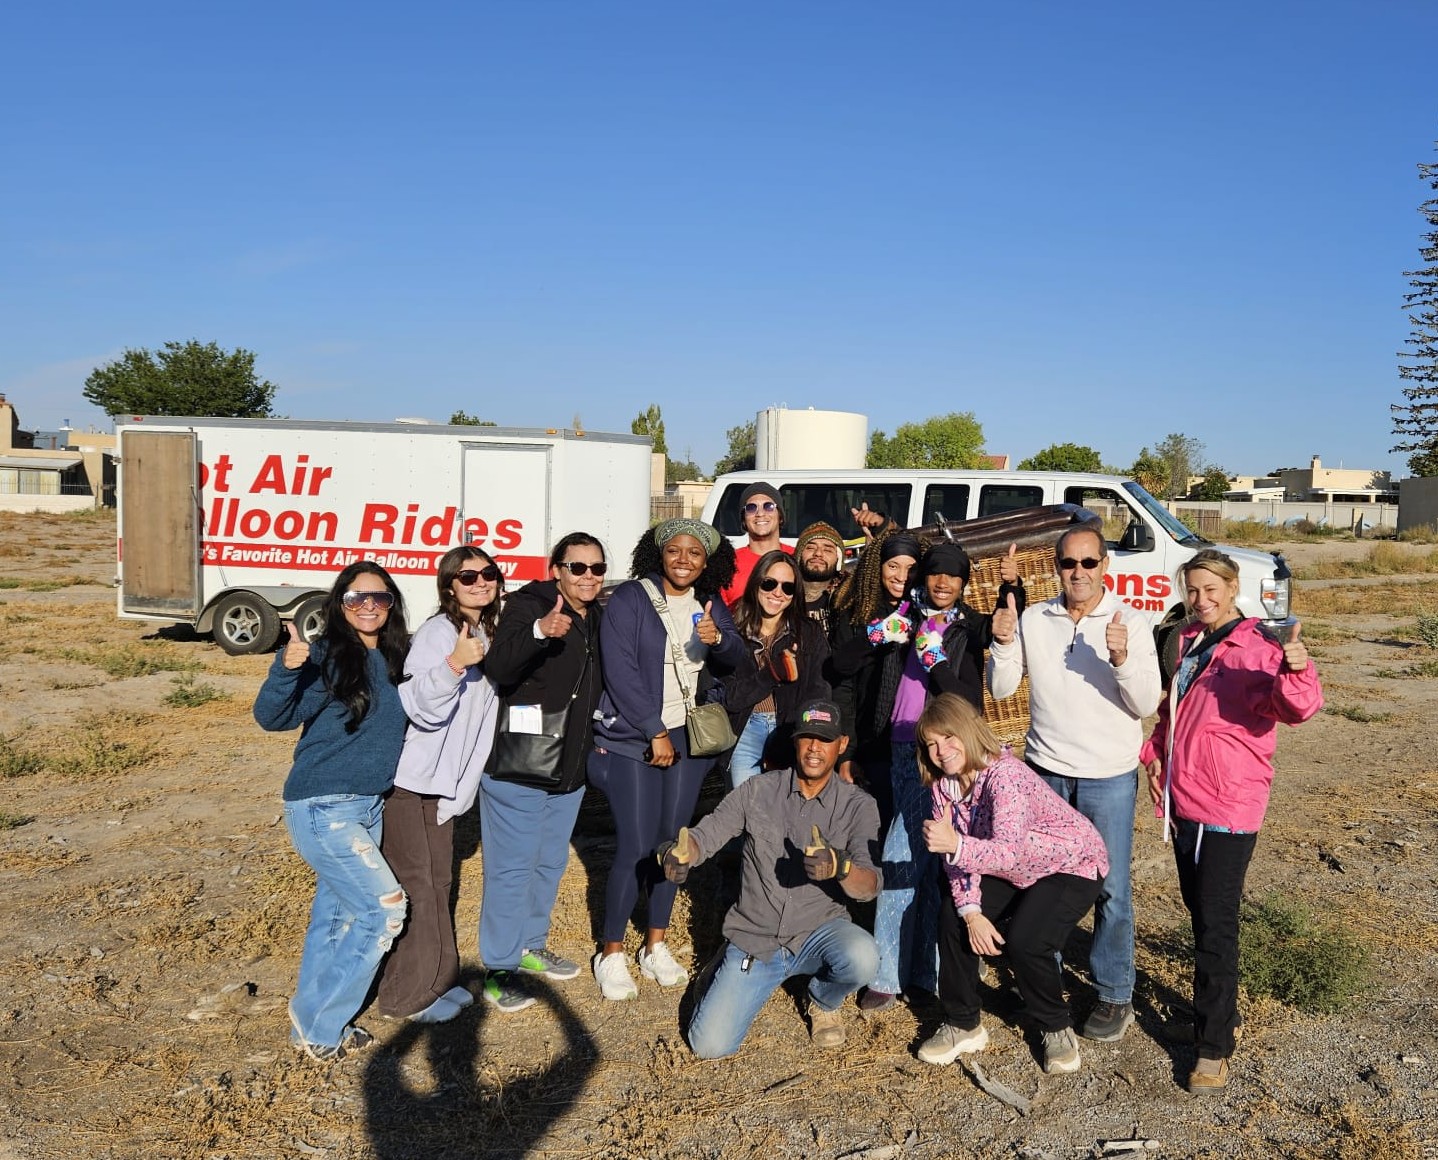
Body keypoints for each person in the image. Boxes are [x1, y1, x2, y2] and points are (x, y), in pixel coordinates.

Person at [1140, 549, 1322, 1093]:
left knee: (1216, 926)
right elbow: (1174, 712)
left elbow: (1298, 708)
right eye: (1192, 590)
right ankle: (1209, 1017)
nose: (1201, 599)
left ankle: (1214, 1047)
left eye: (1211, 588)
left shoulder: (1260, 645)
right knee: (1200, 915)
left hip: (1228, 804)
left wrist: (1297, 668)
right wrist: (1155, 755)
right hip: (1185, 798)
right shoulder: (1190, 641)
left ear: (1234, 585)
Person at [987, 526, 1162, 1044]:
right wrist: (1001, 643)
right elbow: (1001, 688)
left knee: (1110, 887)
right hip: (1046, 771)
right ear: (1057, 567)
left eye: (1089, 563)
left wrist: (1124, 661)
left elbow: (1146, 704)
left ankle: (1114, 993)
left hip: (1108, 773)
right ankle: (1047, 981)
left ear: (1105, 565)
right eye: (1069, 564)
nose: (1078, 573)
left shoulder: (1131, 620)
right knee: (1043, 878)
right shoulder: (1035, 619)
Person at [658, 699, 881, 1058]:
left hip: (818, 931)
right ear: (795, 742)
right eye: (807, 738)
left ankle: (822, 1000)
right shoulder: (758, 790)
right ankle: (727, 963)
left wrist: (840, 868)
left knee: (863, 957)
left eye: (824, 740)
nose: (814, 748)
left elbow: (869, 886)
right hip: (756, 936)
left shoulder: (858, 805)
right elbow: (707, 835)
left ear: (840, 745)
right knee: (709, 1046)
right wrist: (679, 852)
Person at [253, 562, 410, 1062]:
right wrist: (287, 667)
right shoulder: (327, 656)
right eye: (356, 598)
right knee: (385, 911)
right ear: (339, 604)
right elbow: (271, 718)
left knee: (337, 915)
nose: (368, 606)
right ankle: (323, 1030)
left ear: (391, 605)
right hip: (324, 807)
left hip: (367, 806)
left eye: (379, 598)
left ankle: (309, 1017)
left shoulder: (393, 657)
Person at [860, 539, 1023, 1013]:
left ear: (964, 582)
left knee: (914, 857)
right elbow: (854, 665)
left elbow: (998, 640)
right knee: (916, 860)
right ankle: (912, 970)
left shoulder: (968, 625)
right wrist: (880, 636)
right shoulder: (904, 619)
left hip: (942, 755)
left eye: (954, 575)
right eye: (935, 573)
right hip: (898, 749)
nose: (944, 582)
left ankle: (898, 974)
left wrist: (1011, 586)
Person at [589, 519, 745, 1000]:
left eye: (694, 553)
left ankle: (654, 944)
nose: (683, 559)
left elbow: (738, 658)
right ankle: (611, 952)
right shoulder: (631, 599)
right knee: (636, 843)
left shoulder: (711, 603)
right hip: (634, 736)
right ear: (659, 554)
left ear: (707, 562)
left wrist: (719, 640)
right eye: (674, 550)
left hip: (688, 737)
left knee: (673, 845)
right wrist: (654, 730)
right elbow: (620, 671)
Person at [915, 694, 1108, 1075]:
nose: (941, 751)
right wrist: (972, 913)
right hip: (1016, 866)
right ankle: (963, 1023)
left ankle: (1055, 1027)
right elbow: (956, 863)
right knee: (953, 918)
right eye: (931, 744)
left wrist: (955, 844)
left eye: (948, 738)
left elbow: (1004, 851)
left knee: (1028, 940)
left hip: (1071, 863)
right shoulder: (944, 788)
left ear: (968, 732)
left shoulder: (1006, 776)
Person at [477, 532, 607, 1013]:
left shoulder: (598, 615)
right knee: (511, 871)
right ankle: (498, 970)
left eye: (596, 568)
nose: (588, 576)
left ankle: (530, 947)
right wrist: (538, 633)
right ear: (557, 570)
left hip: (568, 769)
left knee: (549, 864)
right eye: (577, 568)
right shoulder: (528, 605)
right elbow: (500, 667)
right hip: (520, 766)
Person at [374, 546, 501, 1025]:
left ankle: (436, 980)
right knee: (418, 887)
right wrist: (453, 664)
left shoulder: (484, 630)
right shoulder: (437, 633)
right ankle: (402, 997)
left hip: (442, 784)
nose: (480, 582)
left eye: (488, 574)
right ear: (449, 584)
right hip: (410, 783)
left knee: (440, 881)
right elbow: (418, 704)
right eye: (468, 576)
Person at [827, 529, 924, 827]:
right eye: (893, 566)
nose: (901, 576)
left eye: (910, 568)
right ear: (878, 567)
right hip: (871, 744)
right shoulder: (857, 614)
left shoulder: (928, 613)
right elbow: (842, 678)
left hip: (919, 745)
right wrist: (848, 753)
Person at [723, 549, 831, 790]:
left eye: (787, 587)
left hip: (791, 730)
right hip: (745, 730)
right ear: (756, 583)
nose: (777, 593)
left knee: (787, 814)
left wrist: (804, 735)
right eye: (770, 583)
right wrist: (772, 673)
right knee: (747, 813)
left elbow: (818, 691)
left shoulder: (808, 632)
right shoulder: (733, 632)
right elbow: (730, 697)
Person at [719, 481, 792, 606]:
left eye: (768, 506)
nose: (760, 514)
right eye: (751, 508)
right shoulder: (727, 563)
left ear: (780, 516)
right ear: (744, 519)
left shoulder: (797, 558)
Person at [794, 521, 846, 633]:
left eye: (827, 550)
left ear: (838, 559)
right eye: (810, 548)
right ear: (799, 555)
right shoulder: (782, 593)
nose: (818, 553)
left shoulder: (849, 597)